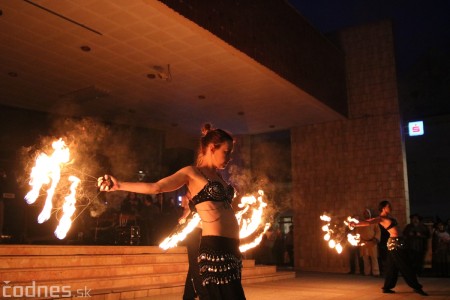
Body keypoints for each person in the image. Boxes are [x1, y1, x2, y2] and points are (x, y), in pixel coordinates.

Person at [98, 123, 246, 300]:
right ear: (212, 148)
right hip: (215, 248)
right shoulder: (192, 173)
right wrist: (119, 185)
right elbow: (156, 187)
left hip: (232, 249)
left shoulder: (220, 177)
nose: (229, 157)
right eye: (226, 151)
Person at [350, 200, 428, 296]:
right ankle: (416, 287)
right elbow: (368, 222)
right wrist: (355, 224)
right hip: (395, 244)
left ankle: (387, 287)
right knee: (405, 265)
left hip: (397, 242)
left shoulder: (389, 217)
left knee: (392, 267)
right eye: (388, 206)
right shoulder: (381, 218)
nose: (390, 207)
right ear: (383, 208)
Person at [178, 192, 209, 300]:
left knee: (194, 264)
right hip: (192, 232)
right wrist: (183, 217)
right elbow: (187, 209)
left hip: (201, 231)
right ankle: (203, 294)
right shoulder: (187, 197)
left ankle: (188, 294)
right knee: (195, 263)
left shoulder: (202, 195)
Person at [357, 208, 380, 277]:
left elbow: (378, 231)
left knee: (374, 257)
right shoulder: (361, 223)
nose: (365, 214)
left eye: (367, 213)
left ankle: (376, 272)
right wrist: (358, 240)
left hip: (372, 242)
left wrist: (376, 238)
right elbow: (358, 232)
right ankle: (367, 272)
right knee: (365, 258)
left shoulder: (374, 222)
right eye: (364, 213)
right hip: (364, 242)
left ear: (369, 214)